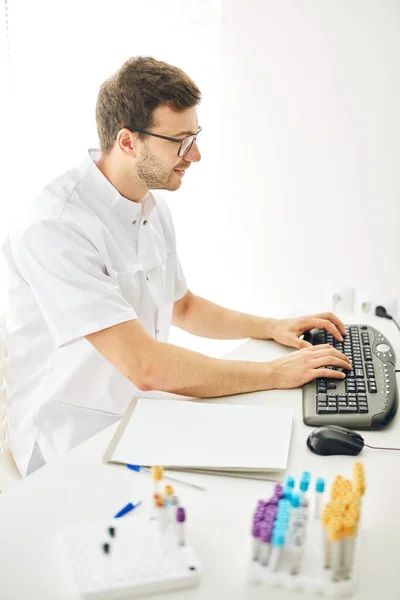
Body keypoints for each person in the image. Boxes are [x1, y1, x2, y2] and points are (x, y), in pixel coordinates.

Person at [1, 56, 351, 477]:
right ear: (128, 142)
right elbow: (146, 367)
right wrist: (275, 373)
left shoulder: (149, 205)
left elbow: (181, 307)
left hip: (136, 416)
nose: (196, 155)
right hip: (67, 441)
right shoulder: (56, 228)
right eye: (182, 141)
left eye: (195, 136)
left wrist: (272, 326)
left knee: (273, 454)